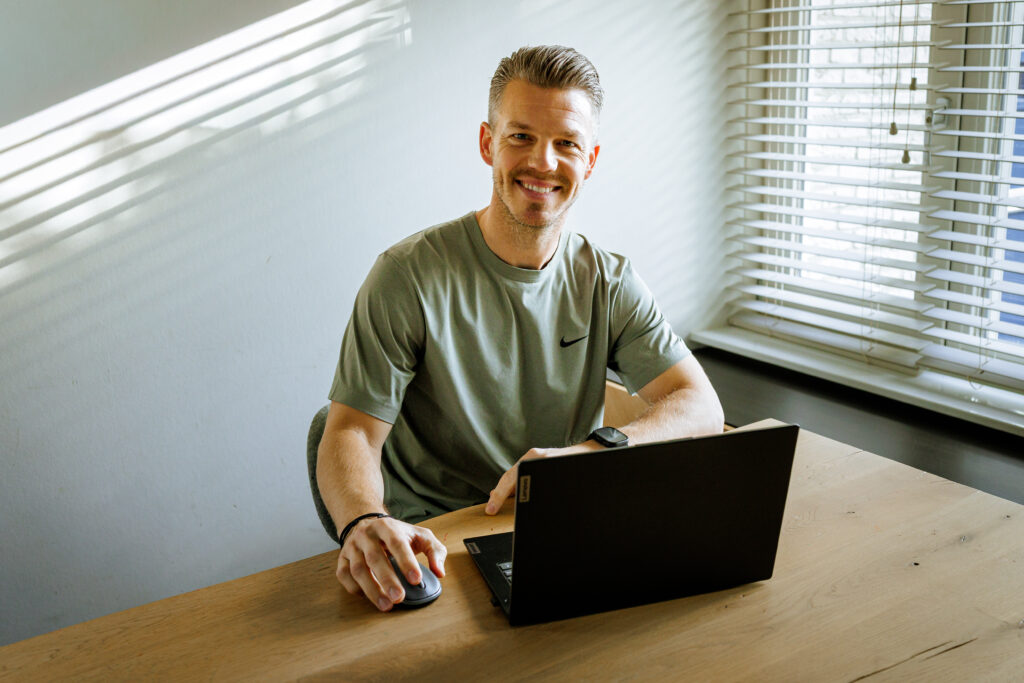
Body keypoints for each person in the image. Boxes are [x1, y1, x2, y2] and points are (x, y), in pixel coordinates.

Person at [317, 45, 724, 613]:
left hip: (552, 531)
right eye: (521, 137)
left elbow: (699, 404)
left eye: (566, 144)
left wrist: (589, 454)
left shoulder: (609, 279)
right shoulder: (407, 275)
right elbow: (350, 432)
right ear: (488, 143)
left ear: (591, 159)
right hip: (432, 540)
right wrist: (364, 519)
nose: (544, 163)